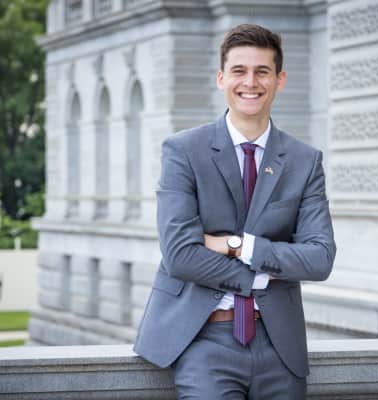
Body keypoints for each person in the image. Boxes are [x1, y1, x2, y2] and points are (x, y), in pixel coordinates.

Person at [134, 23, 336, 399]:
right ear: (221, 78)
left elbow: (320, 258)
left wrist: (237, 246)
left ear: (280, 80)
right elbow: (180, 255)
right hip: (202, 339)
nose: (250, 82)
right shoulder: (183, 151)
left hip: (280, 346)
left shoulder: (305, 161)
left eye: (262, 71)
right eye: (239, 71)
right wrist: (260, 277)